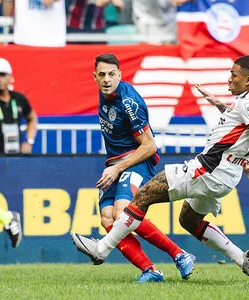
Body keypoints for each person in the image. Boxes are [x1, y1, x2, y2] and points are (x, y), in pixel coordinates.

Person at [72, 55, 249, 283]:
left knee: (143, 196)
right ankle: (244, 260)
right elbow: (243, 123)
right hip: (226, 176)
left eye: (233, 75)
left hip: (208, 170)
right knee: (189, 221)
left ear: (248, 80)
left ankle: (102, 249)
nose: (229, 79)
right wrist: (220, 105)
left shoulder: (248, 102)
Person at [73, 53, 195, 283]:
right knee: (108, 219)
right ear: (95, 77)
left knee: (122, 212)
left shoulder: (129, 102)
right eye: (102, 75)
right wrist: (114, 166)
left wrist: (118, 168)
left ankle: (180, 255)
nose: (107, 79)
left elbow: (149, 146)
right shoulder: (105, 93)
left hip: (137, 160)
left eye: (112, 74)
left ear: (120, 74)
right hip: (115, 162)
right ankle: (150, 271)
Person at [0, 58, 38, 154]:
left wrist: (29, 142)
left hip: (16, 155)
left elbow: (32, 118)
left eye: (3, 75)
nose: (0, 79)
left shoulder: (19, 98)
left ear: (10, 76)